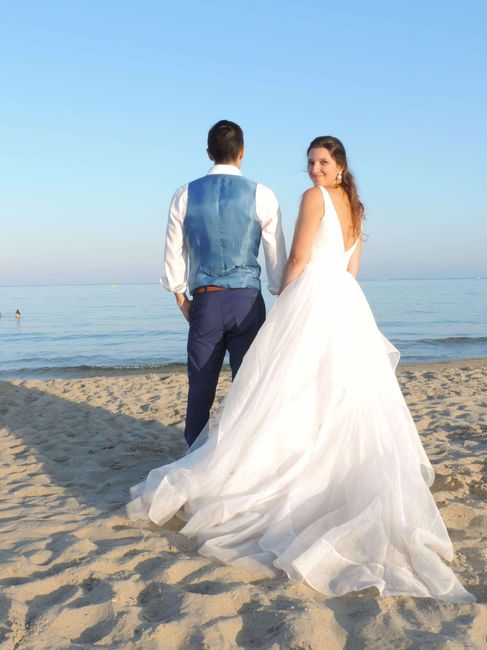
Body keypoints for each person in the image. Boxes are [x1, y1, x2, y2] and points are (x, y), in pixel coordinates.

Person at [128, 136, 474, 602]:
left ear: (339, 167)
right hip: (346, 302)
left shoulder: (311, 198)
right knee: (334, 392)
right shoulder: (355, 206)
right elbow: (351, 270)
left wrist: (286, 293)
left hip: (307, 295)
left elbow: (296, 257)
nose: (313, 170)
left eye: (322, 162)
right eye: (310, 162)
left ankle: (246, 464)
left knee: (279, 388)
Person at [162, 120, 286, 446]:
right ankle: (246, 453)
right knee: (248, 385)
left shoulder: (184, 194)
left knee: (200, 385)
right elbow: (276, 261)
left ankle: (194, 456)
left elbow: (174, 251)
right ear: (242, 153)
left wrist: (181, 298)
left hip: (205, 300)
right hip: (247, 302)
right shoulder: (263, 194)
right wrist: (279, 294)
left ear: (208, 152)